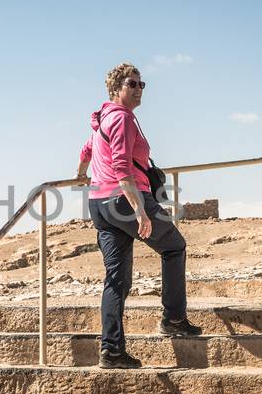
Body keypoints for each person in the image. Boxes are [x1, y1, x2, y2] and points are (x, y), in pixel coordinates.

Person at [75, 62, 200, 369]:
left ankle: (112, 351)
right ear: (116, 89)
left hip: (100, 204)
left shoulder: (103, 118)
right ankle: (173, 318)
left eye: (142, 84)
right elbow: (120, 167)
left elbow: (87, 150)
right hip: (124, 200)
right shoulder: (122, 118)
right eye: (132, 84)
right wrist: (140, 210)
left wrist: (81, 175)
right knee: (174, 247)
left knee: (116, 280)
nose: (138, 89)